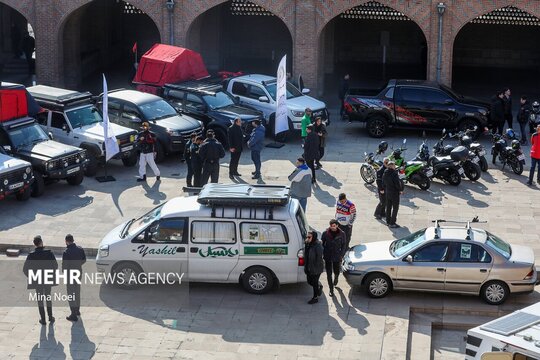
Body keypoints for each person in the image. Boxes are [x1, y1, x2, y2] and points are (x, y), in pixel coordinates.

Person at [23, 236, 58, 325]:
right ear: (41, 242)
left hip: (37, 280)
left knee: (40, 299)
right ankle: (50, 317)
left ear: (34, 244)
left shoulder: (31, 255)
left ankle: (43, 319)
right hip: (47, 279)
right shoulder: (49, 253)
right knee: (48, 297)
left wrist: (32, 277)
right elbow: (55, 266)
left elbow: (25, 269)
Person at [62, 234, 86, 322]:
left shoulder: (66, 252)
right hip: (78, 273)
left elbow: (64, 266)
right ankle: (77, 310)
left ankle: (73, 314)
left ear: (67, 241)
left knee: (71, 294)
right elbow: (84, 260)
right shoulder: (80, 249)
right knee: (77, 292)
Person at [321, 219, 346, 297]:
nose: (332, 227)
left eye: (334, 226)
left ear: (337, 225)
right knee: (328, 274)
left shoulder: (342, 234)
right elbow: (322, 243)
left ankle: (336, 278)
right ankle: (331, 289)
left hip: (336, 255)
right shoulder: (325, 233)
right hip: (328, 255)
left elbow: (344, 245)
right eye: (331, 226)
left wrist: (341, 255)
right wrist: (322, 253)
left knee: (336, 271)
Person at [304, 231, 324, 304]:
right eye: (307, 237)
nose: (307, 238)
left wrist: (314, 269)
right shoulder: (308, 243)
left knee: (314, 283)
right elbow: (306, 255)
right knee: (309, 281)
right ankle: (319, 287)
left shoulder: (318, 246)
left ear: (314, 237)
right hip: (308, 266)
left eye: (309, 237)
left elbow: (319, 259)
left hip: (316, 268)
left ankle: (315, 298)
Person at [383, 161, 404, 228]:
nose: (395, 167)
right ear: (391, 166)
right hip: (394, 193)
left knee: (388, 207)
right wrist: (400, 190)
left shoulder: (385, 172)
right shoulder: (394, 174)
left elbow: (383, 183)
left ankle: (388, 221)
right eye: (394, 165)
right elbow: (397, 184)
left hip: (388, 192)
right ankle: (392, 223)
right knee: (395, 208)